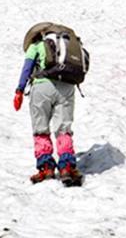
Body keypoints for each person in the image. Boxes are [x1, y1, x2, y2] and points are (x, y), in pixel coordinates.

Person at [14, 22, 87, 186]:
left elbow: (27, 69)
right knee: (64, 129)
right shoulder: (65, 48)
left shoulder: (36, 46)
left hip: (42, 88)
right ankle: (67, 167)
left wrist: (19, 90)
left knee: (41, 129)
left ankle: (46, 167)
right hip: (66, 87)